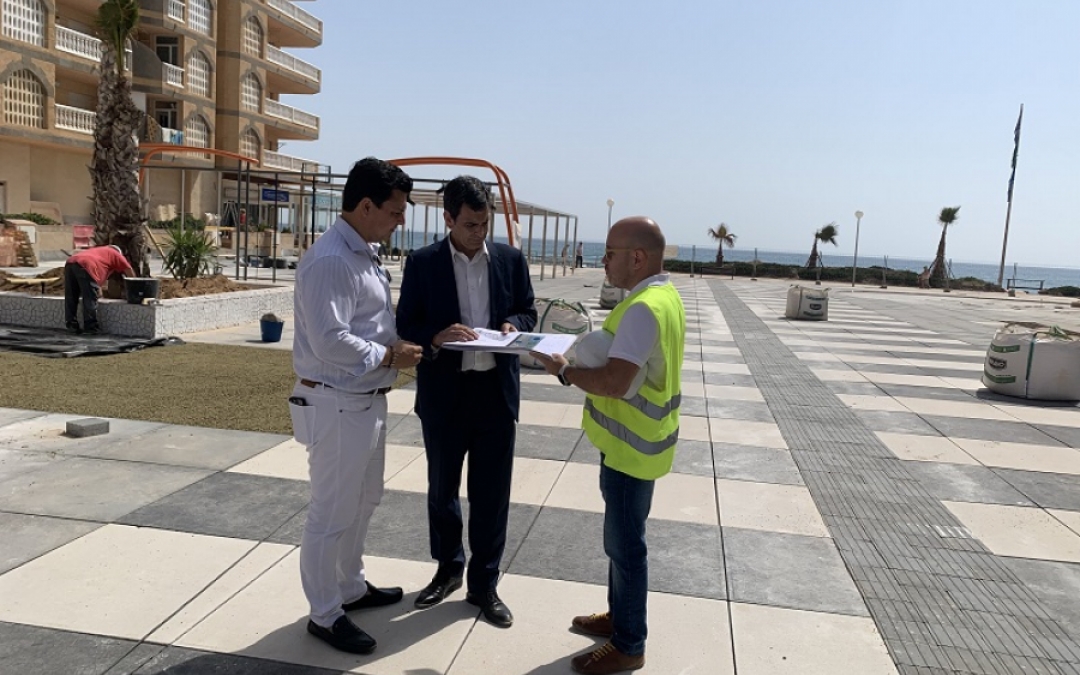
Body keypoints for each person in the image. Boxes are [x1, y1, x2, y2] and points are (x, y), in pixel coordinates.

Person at [531, 217, 686, 675]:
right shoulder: (665, 297)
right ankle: (620, 617)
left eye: (610, 253)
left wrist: (564, 371)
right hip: (642, 443)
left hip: (629, 449)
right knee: (623, 542)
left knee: (625, 547)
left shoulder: (642, 309)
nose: (603, 261)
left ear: (637, 257)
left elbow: (616, 383)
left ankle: (629, 644)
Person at [290, 157, 423, 655]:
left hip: (364, 399)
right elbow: (330, 340)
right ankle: (325, 613)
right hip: (336, 401)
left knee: (365, 500)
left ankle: (349, 586)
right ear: (366, 206)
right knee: (331, 511)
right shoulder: (331, 260)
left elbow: (366, 324)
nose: (400, 220)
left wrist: (398, 348)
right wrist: (389, 355)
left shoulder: (361, 252)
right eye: (395, 210)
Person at [396, 175, 537, 628]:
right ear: (449, 219)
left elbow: (528, 310)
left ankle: (484, 584)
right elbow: (406, 322)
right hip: (444, 395)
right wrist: (436, 336)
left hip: (495, 394)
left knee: (492, 496)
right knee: (442, 490)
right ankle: (447, 569)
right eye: (470, 225)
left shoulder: (510, 260)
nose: (479, 233)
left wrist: (515, 325)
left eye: (485, 224)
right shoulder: (423, 263)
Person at [64, 244, 135, 334]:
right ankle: (90, 327)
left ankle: (71, 325)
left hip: (70, 262)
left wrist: (98, 291)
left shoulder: (98, 252)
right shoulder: (115, 253)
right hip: (86, 264)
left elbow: (96, 281)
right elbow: (129, 270)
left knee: (71, 296)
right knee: (89, 298)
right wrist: (134, 288)